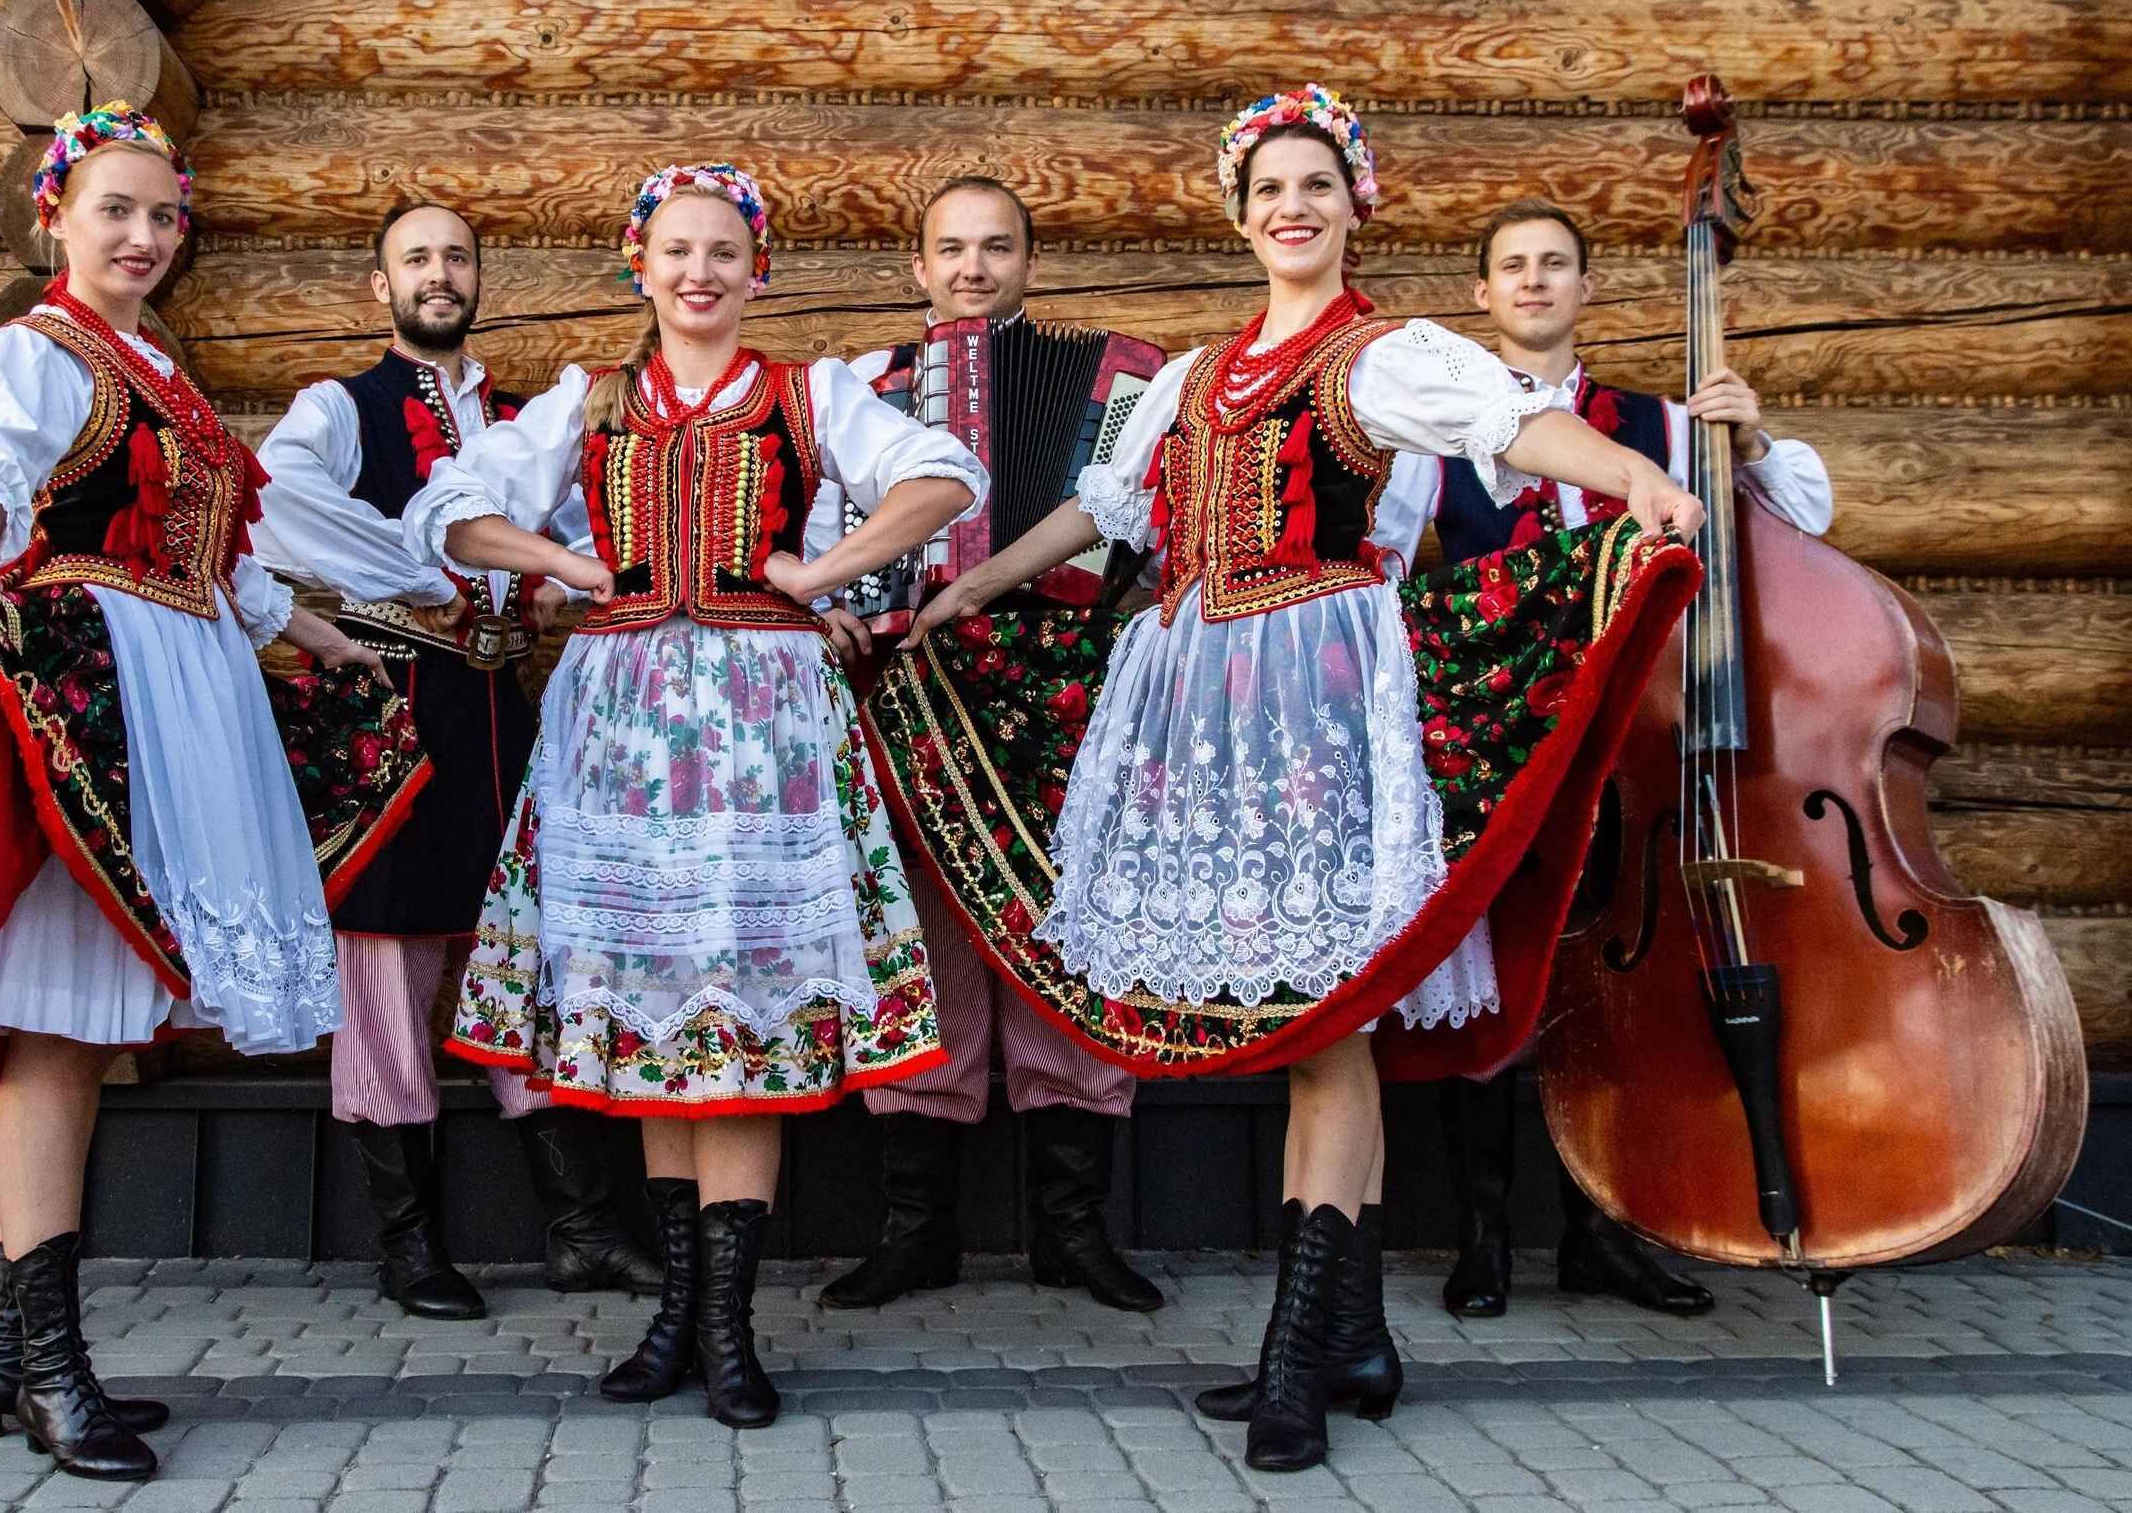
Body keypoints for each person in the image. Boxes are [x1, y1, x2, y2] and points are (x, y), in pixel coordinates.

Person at [905, 86, 1703, 1473]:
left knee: (1327, 1015)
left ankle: (1295, 1358)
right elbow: (1107, 507)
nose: (1292, 205)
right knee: (1296, 1014)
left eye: (1316, 185)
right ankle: (1352, 1336)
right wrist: (973, 579)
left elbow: (1511, 426)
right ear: (1241, 211)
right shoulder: (1193, 377)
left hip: (1320, 695)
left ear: (1356, 204)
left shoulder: (1383, 355)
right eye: (1270, 186)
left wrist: (1634, 470)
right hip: (1200, 709)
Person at [0, 105, 424, 1482]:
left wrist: (315, 633)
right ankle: (52, 1365)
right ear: (57, 216)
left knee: (98, 1018)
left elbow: (222, 559)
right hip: (97, 693)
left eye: (161, 215)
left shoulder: (158, 369)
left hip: (185, 679)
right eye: (115, 209)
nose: (139, 235)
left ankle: (4, 1349)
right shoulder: (36, 350)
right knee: (64, 1021)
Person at [415, 161, 986, 1428]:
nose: (698, 273)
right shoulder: (592, 400)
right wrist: (565, 555)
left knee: (738, 1010)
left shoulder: (806, 392)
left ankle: (726, 1329)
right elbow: (452, 509)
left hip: (758, 735)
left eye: (723, 252)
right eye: (676, 251)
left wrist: (821, 569)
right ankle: (680, 1312)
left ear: (756, 270)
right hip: (619, 731)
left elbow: (943, 476)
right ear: (640, 264)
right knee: (656, 1012)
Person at [1366, 198, 1833, 1320]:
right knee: (1491, 969)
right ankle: (1482, 1237)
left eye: (1553, 266)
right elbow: (1380, 565)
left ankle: (1602, 1232)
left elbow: (1802, 520)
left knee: (1610, 981)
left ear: (1583, 288)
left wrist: (1751, 440)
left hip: (1638, 746)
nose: (1532, 282)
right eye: (1510, 267)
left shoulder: (1664, 427)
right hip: (1495, 740)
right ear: (1481, 295)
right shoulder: (1438, 429)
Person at [250, 199, 661, 1319]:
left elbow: (590, 535)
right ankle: (409, 1245)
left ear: (480, 280)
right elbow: (277, 509)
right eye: (416, 260)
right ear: (380, 288)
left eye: (457, 258)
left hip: (503, 705)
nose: (439, 275)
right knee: (383, 965)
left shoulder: (527, 419)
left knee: (527, 950)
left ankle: (578, 1229)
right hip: (392, 700)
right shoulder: (342, 406)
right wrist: (426, 562)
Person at [802, 177, 1158, 1315]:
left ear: (1029, 262)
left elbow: (1135, 518)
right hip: (916, 686)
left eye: (995, 248)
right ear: (917, 267)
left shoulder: (1120, 386)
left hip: (1066, 681)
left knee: (1072, 928)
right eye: (949, 248)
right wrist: (830, 602)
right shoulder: (863, 392)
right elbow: (820, 530)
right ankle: (917, 1232)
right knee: (931, 935)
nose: (971, 267)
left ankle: (1075, 1229)